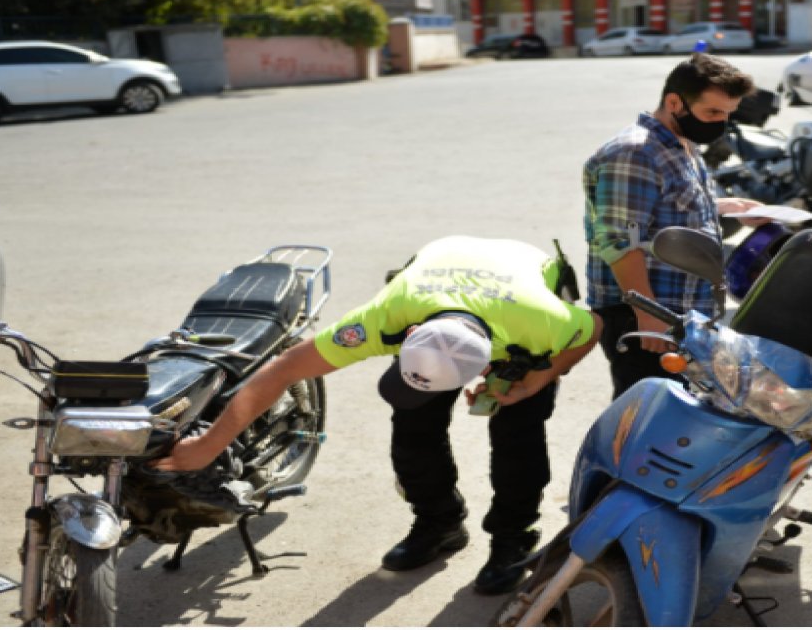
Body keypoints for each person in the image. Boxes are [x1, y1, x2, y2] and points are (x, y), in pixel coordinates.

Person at [153, 235, 603, 595]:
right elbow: (281, 371)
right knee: (412, 426)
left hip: (518, 290)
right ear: (407, 337)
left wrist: (541, 377)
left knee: (517, 432)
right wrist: (208, 445)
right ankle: (439, 522)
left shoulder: (542, 321)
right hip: (446, 274)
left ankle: (513, 538)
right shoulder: (384, 316)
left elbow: (592, 328)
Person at [583, 52, 764, 398]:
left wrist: (728, 208)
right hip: (647, 317)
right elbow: (620, 241)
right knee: (647, 421)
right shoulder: (636, 152)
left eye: (728, 114)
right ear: (674, 102)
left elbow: (667, 209)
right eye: (712, 112)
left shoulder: (682, 145)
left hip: (682, 315)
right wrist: (647, 316)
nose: (720, 122)